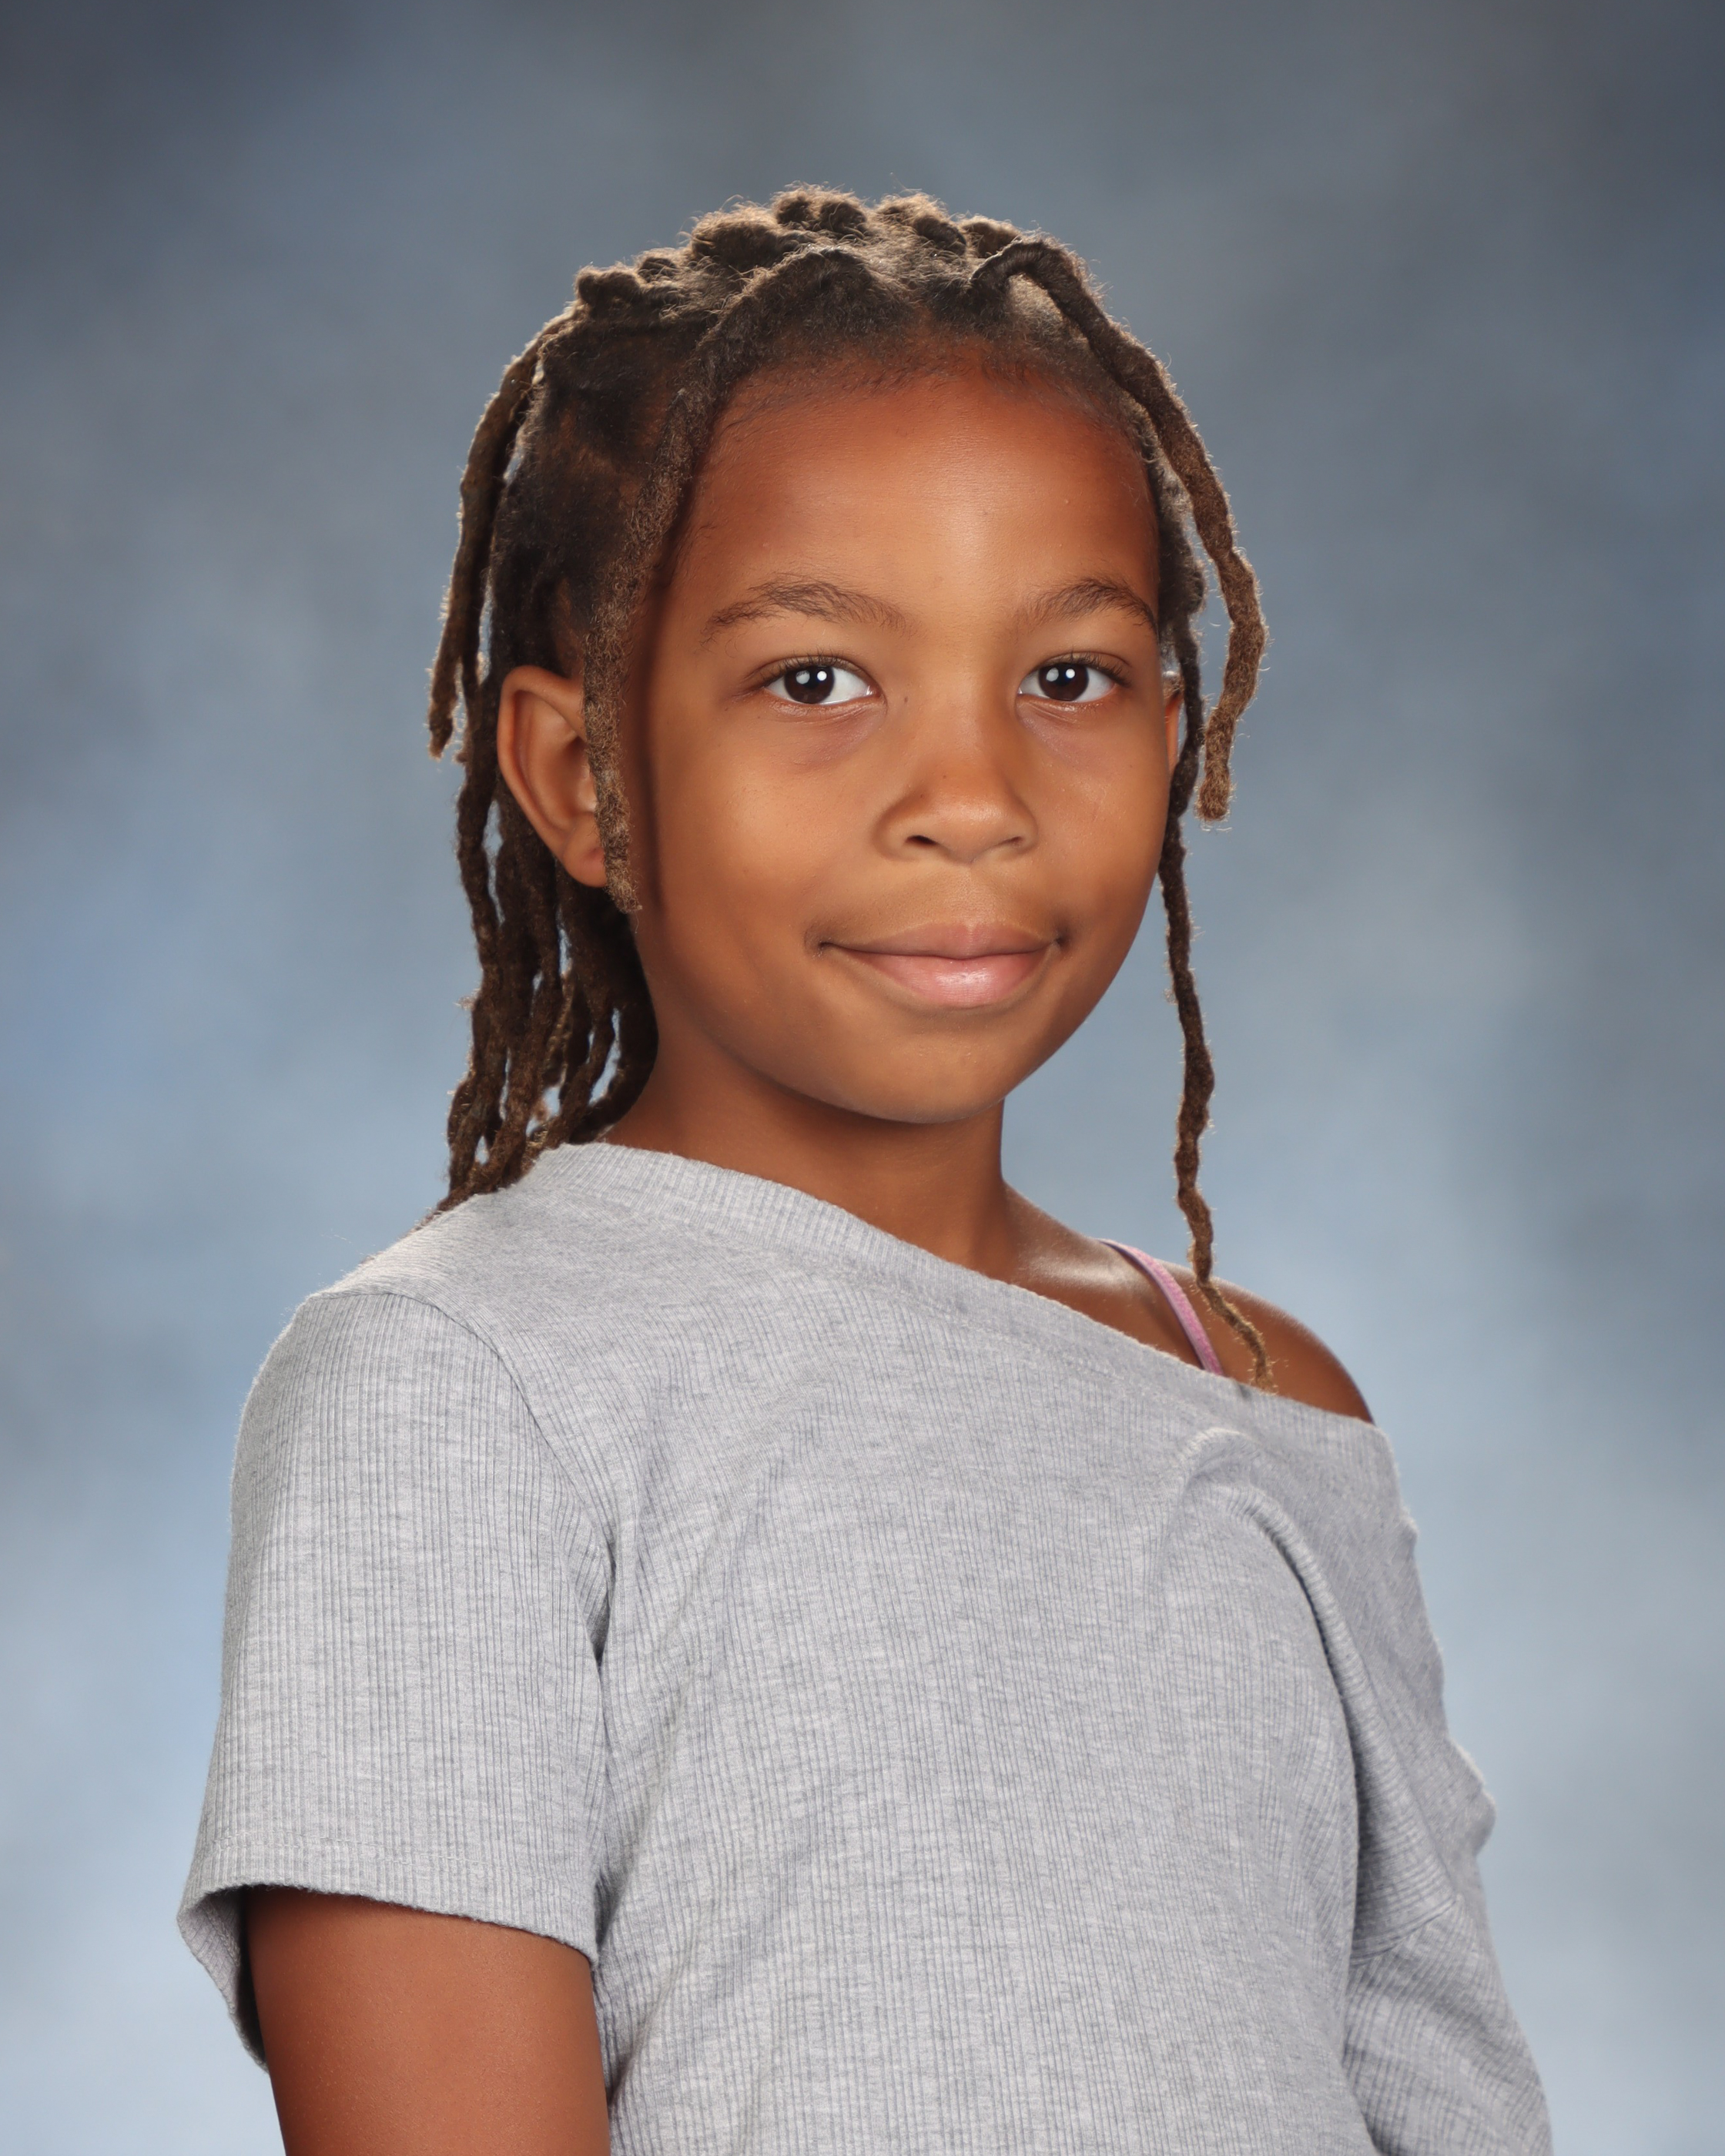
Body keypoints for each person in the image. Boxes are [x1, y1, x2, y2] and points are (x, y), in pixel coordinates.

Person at [179, 189, 1551, 2154]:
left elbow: (1444, 2093)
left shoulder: (1261, 1397)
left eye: (1069, 676)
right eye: (817, 680)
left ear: (1178, 724)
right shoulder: (453, 1382)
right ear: (581, 776)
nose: (971, 801)